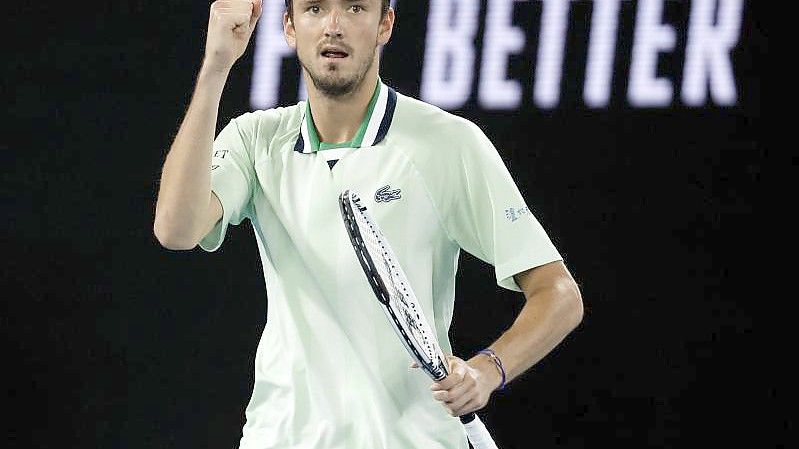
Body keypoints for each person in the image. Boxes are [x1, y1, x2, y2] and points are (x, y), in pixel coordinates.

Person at [153, 0, 584, 448]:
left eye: (355, 7)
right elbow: (176, 230)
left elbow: (559, 294)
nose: (333, 26)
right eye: (315, 9)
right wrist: (216, 68)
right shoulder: (255, 139)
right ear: (289, 27)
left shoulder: (446, 143)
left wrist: (486, 369)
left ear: (385, 25)